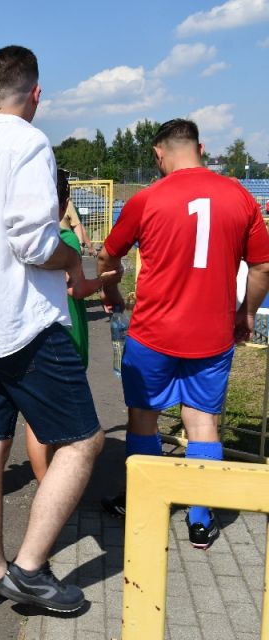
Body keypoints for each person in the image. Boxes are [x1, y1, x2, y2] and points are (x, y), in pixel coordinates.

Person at [0, 45, 106, 614]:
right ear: (36, 95)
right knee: (84, 440)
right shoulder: (30, 144)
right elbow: (33, 243)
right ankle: (30, 570)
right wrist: (74, 262)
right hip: (25, 327)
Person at [98, 118, 269, 549]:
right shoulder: (242, 197)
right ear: (201, 147)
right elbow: (263, 266)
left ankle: (143, 502)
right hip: (211, 336)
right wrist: (246, 313)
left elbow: (107, 253)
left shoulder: (147, 198)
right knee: (202, 422)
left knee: (143, 416)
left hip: (153, 334)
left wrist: (112, 288)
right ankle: (200, 517)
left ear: (159, 154)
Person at [25, 169, 120, 483]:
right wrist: (107, 280)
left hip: (35, 331)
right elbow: (74, 288)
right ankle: (51, 484)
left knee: (37, 415)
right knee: (63, 421)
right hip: (64, 332)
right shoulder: (62, 238)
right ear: (64, 201)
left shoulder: (24, 236)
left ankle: (45, 481)